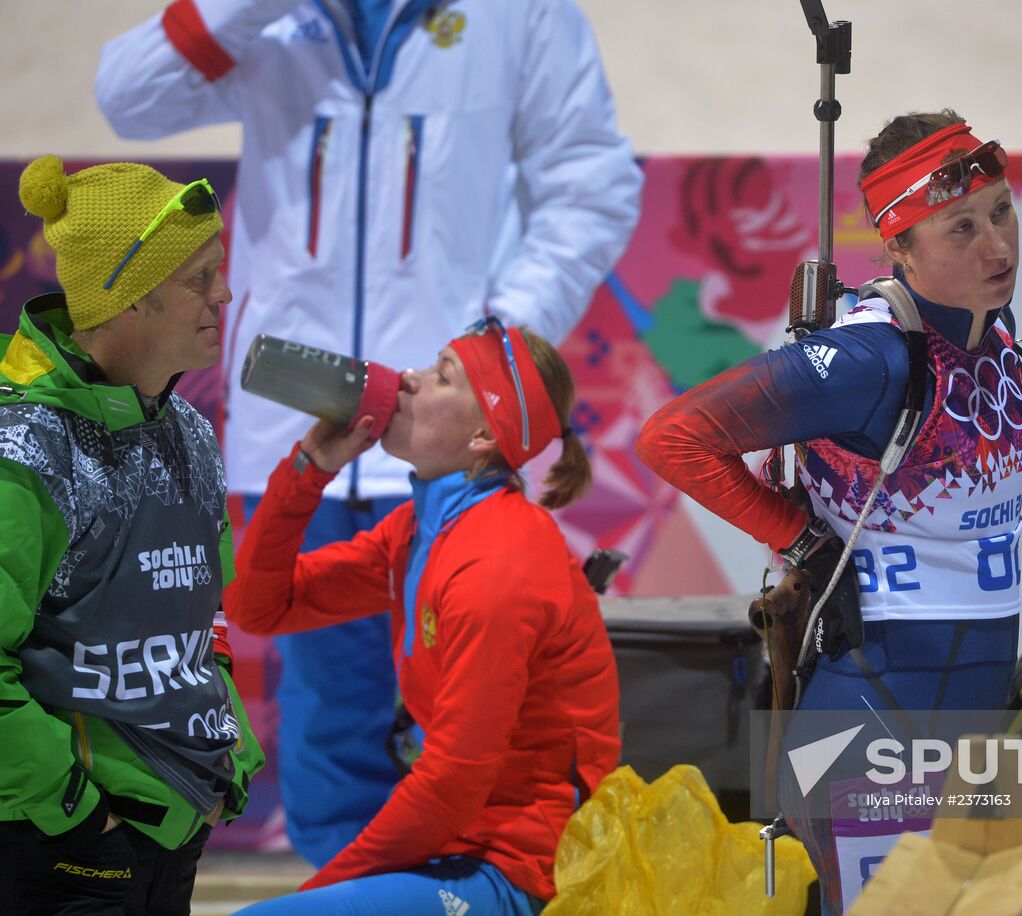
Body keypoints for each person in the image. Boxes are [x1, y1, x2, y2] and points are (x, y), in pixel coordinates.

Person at [636, 110, 1022, 912]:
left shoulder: (984, 336)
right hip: (869, 733)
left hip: (960, 739)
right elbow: (673, 437)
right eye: (960, 227)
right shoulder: (868, 359)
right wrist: (802, 539)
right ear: (900, 246)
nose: (997, 245)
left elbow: (1021, 407)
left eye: (1002, 211)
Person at [96, 0, 642, 865]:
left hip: (438, 430)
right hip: (301, 424)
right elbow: (130, 98)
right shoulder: (272, 21)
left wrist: (489, 354)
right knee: (321, 722)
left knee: (471, 726)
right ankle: (341, 880)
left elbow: (593, 186)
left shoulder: (521, 14)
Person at [224, 318, 620, 914]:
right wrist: (309, 468)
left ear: (485, 432)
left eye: (441, 375)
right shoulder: (420, 532)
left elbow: (452, 784)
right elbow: (259, 606)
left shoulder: (499, 565)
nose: (407, 379)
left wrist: (318, 891)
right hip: (456, 847)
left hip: (523, 875)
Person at [0, 155, 264, 914]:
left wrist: (231, 755)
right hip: (65, 844)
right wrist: (80, 813)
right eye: (200, 279)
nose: (225, 294)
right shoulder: (23, 450)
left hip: (178, 826)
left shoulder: (186, 430)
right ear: (127, 303)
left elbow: (202, 618)